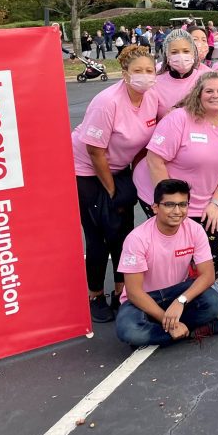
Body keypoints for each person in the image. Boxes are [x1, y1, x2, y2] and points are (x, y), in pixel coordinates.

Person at [133, 71, 218, 290]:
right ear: (198, 94)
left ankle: (196, 291)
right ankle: (163, 291)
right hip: (162, 192)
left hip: (205, 200)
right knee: (174, 247)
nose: (215, 96)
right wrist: (169, 204)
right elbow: (155, 159)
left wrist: (215, 203)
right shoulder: (179, 119)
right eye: (209, 91)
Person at [71, 45, 159, 323]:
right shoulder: (107, 102)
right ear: (124, 74)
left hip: (118, 168)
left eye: (149, 70)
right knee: (98, 237)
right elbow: (95, 151)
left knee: (123, 234)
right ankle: (95, 294)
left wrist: (128, 181)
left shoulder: (151, 98)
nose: (144, 76)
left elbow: (143, 144)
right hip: (86, 169)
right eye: (138, 71)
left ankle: (121, 291)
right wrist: (111, 190)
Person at [115, 179, 218, 346]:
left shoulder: (195, 230)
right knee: (129, 331)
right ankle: (192, 330)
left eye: (183, 204)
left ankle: (157, 333)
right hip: (144, 299)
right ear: (155, 208)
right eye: (169, 205)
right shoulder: (137, 239)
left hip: (177, 292)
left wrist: (180, 301)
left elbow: (208, 275)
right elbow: (134, 292)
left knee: (214, 302)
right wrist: (167, 319)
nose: (177, 211)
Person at [155, 30, 206, 119]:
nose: (181, 56)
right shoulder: (156, 83)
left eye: (186, 51)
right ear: (167, 55)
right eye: (174, 52)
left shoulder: (205, 80)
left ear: (193, 53)